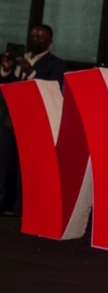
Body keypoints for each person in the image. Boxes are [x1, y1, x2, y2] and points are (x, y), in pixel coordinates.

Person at [0, 24, 67, 216]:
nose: (36, 40)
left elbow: (53, 88)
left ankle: (22, 210)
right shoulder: (19, 59)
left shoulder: (56, 63)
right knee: (3, 164)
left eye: (41, 37)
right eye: (33, 36)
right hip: (10, 119)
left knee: (27, 169)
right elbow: (6, 88)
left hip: (34, 122)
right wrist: (5, 71)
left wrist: (30, 72)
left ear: (50, 41)